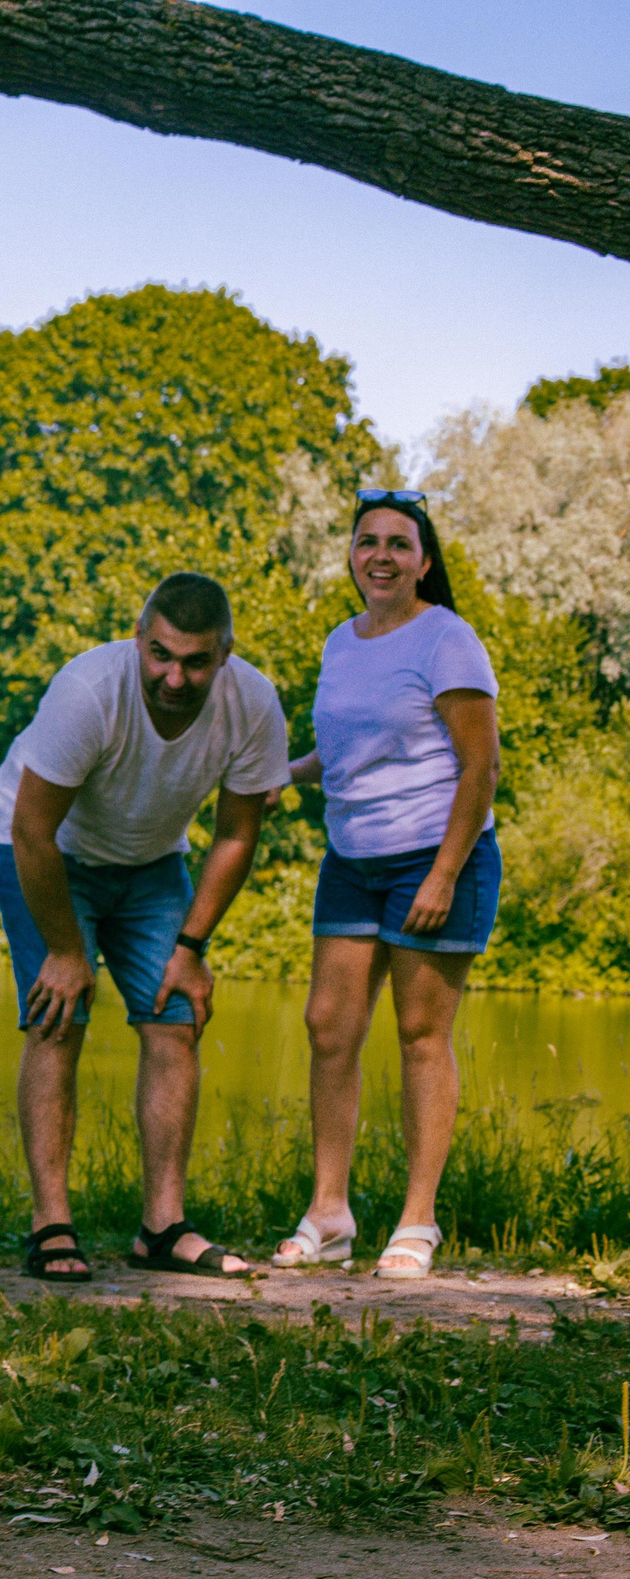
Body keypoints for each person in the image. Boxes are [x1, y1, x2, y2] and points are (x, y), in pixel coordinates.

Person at [0, 572, 292, 1282]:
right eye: (160, 654)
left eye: (195, 661)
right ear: (139, 635)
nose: (175, 675)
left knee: (175, 1018)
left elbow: (236, 836)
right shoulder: (89, 690)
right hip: (46, 848)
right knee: (57, 1015)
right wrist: (67, 949)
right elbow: (33, 829)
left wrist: (191, 947)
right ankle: (51, 1223)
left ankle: (162, 1226)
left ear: (225, 653)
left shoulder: (253, 703)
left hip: (154, 860)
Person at [271, 491, 499, 1281]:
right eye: (367, 541)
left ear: (424, 560)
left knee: (418, 1034)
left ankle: (417, 1220)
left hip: (433, 860)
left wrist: (442, 872)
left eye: (398, 544)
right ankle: (329, 1215)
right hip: (352, 860)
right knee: (329, 1025)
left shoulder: (448, 638)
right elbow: (343, 751)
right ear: (352, 555)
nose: (381, 555)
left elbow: (482, 767)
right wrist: (285, 775)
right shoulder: (343, 640)